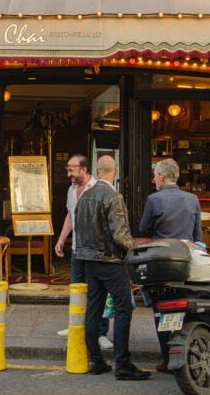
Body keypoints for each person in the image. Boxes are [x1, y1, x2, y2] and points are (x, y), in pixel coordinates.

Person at [74, 155, 150, 381]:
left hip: (89, 262)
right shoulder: (114, 197)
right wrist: (136, 249)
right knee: (124, 309)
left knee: (94, 310)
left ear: (97, 171)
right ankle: (123, 364)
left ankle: (95, 360)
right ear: (114, 171)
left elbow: (80, 232)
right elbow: (120, 235)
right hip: (110, 261)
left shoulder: (85, 196)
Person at [139, 158, 202, 374]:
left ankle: (167, 359)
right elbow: (197, 236)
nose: (154, 178)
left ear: (162, 177)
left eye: (155, 175)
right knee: (186, 308)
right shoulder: (193, 199)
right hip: (186, 261)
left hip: (161, 262)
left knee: (162, 311)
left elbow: (144, 228)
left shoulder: (154, 200)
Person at [54, 155, 111, 349]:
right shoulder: (71, 190)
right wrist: (61, 240)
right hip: (77, 248)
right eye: (67, 169)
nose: (68, 173)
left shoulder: (98, 190)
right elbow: (70, 216)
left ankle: (101, 333)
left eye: (71, 169)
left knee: (98, 291)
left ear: (84, 170)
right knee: (76, 288)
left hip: (95, 250)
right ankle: (76, 325)